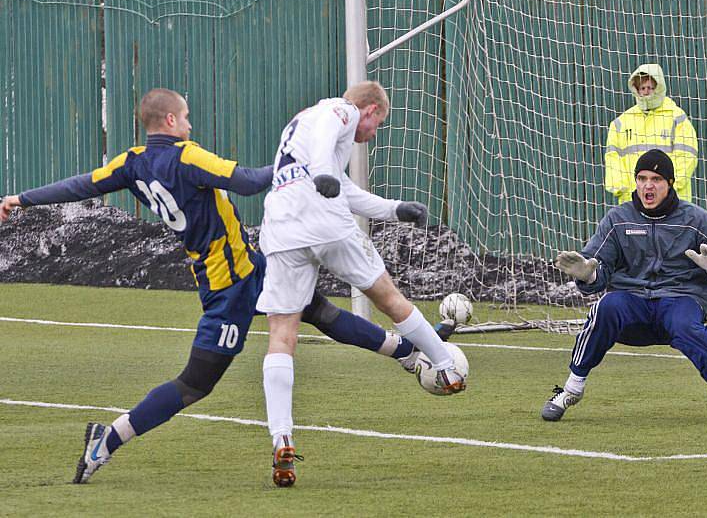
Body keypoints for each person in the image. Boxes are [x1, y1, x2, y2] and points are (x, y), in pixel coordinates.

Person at [0, 88, 452, 485]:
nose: (191, 124)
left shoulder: (130, 163)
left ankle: (411, 354)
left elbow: (81, 185)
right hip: (229, 287)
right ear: (172, 121)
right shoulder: (187, 155)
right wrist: (295, 160)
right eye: (188, 116)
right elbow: (249, 181)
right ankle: (110, 437)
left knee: (318, 311)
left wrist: (21, 198)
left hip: (247, 266)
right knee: (196, 384)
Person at [258, 80, 466, 487]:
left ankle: (282, 438)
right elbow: (326, 161)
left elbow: (345, 187)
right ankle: (446, 366)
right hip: (323, 221)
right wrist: (322, 173)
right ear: (369, 110)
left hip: (281, 227)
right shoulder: (340, 110)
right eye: (378, 124)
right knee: (388, 297)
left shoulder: (298, 125)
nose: (372, 134)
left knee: (282, 333)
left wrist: (395, 209)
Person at [543, 149, 707, 427]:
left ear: (669, 183)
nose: (648, 185)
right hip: (633, 306)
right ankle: (570, 390)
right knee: (606, 306)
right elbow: (597, 266)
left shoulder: (696, 219)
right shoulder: (618, 219)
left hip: (680, 301)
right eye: (642, 178)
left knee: (689, 326)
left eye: (656, 179)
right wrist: (588, 275)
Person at [605, 63, 699, 204]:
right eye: (643, 88)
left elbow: (687, 156)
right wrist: (620, 187)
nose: (646, 91)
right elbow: (613, 158)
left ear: (659, 87)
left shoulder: (677, 118)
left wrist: (670, 185)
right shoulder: (621, 122)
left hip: (672, 202)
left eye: (651, 87)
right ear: (636, 89)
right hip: (632, 202)